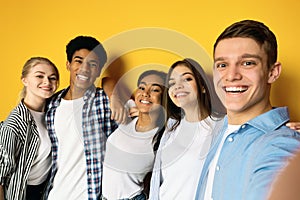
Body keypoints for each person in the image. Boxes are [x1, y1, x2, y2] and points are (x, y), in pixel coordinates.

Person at [195, 19, 300, 200]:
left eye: (247, 63)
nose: (231, 76)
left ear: (272, 72)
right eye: (222, 65)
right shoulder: (221, 127)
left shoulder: (282, 144)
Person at [44, 36, 118, 200]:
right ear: (68, 65)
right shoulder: (50, 105)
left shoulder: (105, 101)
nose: (84, 69)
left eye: (92, 64)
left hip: (92, 195)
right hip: (55, 194)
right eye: (79, 61)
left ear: (98, 71)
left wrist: (114, 91)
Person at [149, 58, 224, 200]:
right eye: (172, 83)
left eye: (187, 79)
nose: (177, 86)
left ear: (202, 86)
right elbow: (158, 183)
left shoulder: (221, 126)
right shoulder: (170, 128)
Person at [0, 57, 59, 200]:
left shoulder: (55, 112)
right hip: (21, 193)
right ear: (24, 80)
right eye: (39, 76)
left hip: (46, 191)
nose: (47, 82)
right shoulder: (15, 123)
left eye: (52, 78)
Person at [102, 70, 166, 200]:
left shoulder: (163, 138)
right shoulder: (128, 114)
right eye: (142, 87)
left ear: (165, 97)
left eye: (154, 90)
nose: (145, 93)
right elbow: (106, 81)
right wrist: (114, 100)